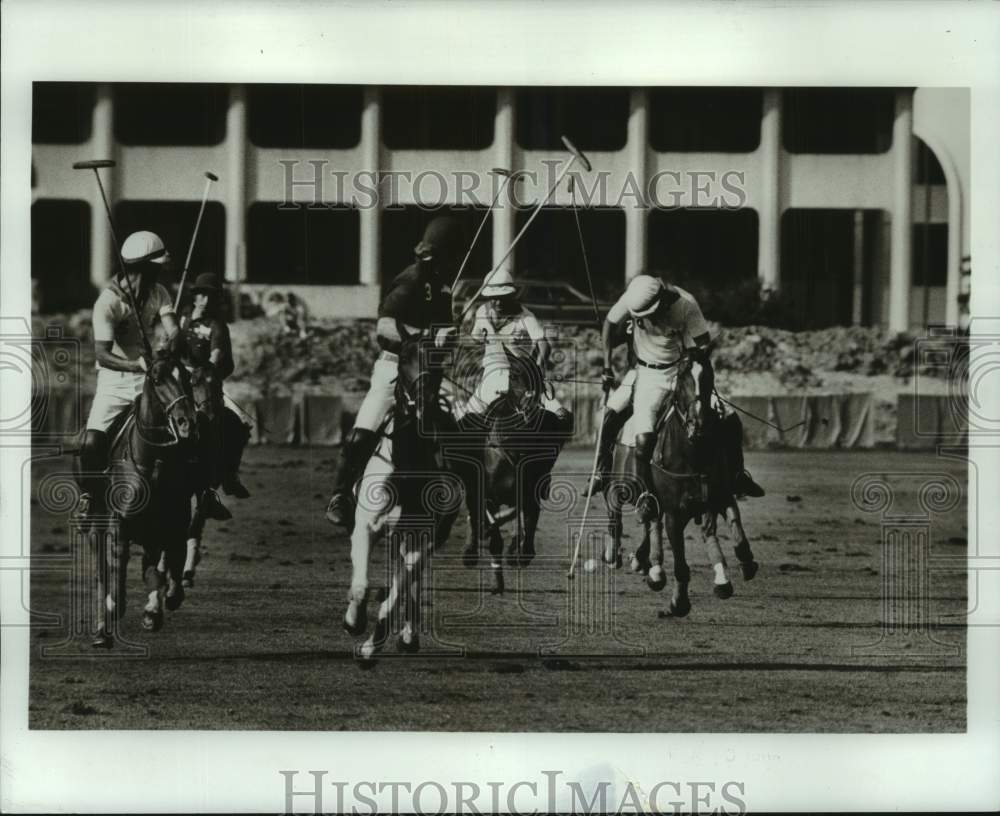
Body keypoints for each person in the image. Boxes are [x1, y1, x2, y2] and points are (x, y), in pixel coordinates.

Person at [325, 216, 462, 528]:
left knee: (459, 428)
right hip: (393, 367)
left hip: (429, 372)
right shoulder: (410, 280)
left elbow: (443, 329)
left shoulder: (443, 289)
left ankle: (464, 494)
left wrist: (449, 335)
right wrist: (423, 335)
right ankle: (340, 494)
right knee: (363, 431)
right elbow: (385, 326)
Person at [593, 273, 764, 523]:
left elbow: (703, 343)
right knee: (628, 429)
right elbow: (609, 323)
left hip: (681, 372)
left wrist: (691, 360)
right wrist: (607, 366)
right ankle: (610, 476)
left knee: (730, 417)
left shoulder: (686, 304)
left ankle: (738, 476)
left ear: (661, 301)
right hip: (646, 375)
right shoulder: (635, 295)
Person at [74, 231, 179, 520]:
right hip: (115, 384)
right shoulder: (107, 303)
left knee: (188, 423)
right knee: (91, 442)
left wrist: (169, 347)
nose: (162, 269)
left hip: (152, 378)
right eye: (157, 265)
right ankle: (89, 495)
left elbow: (173, 329)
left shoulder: (159, 292)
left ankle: (202, 488)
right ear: (145, 267)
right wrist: (137, 366)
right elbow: (103, 355)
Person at [177, 273, 251, 512]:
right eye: (202, 294)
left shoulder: (217, 326)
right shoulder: (181, 320)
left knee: (235, 425)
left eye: (210, 295)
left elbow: (217, 355)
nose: (205, 299)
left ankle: (226, 477)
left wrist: (208, 369)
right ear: (195, 296)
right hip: (178, 381)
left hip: (205, 382)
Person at [462, 268, 568, 423]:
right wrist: (460, 327)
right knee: (466, 416)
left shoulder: (525, 317)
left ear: (512, 295)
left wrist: (535, 368)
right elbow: (475, 340)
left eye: (503, 298)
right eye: (494, 298)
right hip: (490, 371)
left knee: (561, 415)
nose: (498, 303)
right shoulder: (481, 312)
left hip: (519, 373)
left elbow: (544, 345)